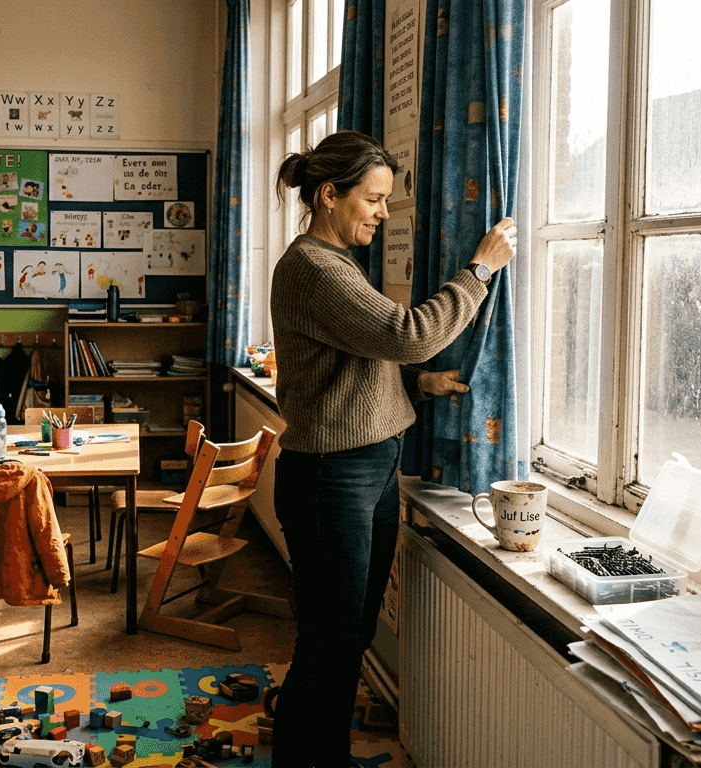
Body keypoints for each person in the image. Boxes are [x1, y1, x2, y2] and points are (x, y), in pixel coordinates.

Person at [268, 130, 516, 768]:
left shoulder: (338, 265)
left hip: (367, 468)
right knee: (328, 642)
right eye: (374, 199)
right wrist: (480, 269)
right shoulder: (312, 268)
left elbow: (352, 360)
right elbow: (407, 334)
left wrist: (413, 383)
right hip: (332, 478)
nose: (384, 212)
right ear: (330, 195)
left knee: (348, 638)